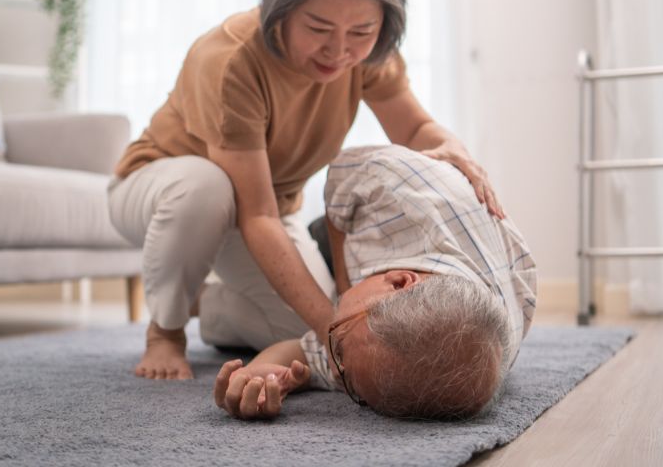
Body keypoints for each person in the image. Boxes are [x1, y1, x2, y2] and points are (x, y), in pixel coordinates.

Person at [108, 0, 505, 381]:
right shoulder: (230, 59)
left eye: (361, 32)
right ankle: (165, 329)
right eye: (318, 27)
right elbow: (256, 215)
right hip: (163, 190)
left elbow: (416, 128)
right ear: (281, 10)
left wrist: (455, 152)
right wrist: (332, 327)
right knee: (209, 187)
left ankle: (209, 306)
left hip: (263, 211)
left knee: (309, 341)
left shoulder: (368, 55)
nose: (339, 50)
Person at [213, 145, 537, 420]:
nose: (335, 361)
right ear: (397, 281)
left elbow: (302, 351)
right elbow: (338, 174)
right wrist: (342, 280)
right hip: (349, 232)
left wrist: (262, 373)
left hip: (380, 266)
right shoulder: (390, 185)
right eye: (338, 340)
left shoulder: (398, 364)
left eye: (353, 386)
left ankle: (213, 309)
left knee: (269, 324)